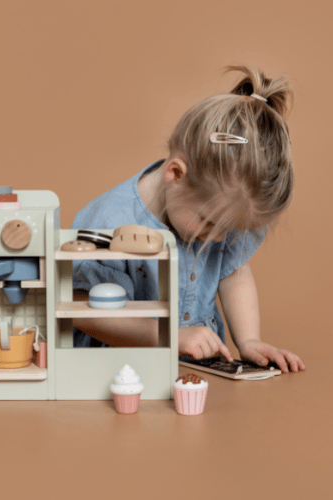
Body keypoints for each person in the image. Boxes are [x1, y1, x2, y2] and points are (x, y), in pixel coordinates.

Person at [71, 65, 306, 374]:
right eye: (210, 224)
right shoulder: (109, 220)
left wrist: (248, 340)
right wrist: (170, 337)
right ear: (176, 175)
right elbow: (84, 313)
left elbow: (233, 273)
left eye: (230, 230)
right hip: (118, 370)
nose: (219, 238)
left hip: (195, 368)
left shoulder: (217, 211)